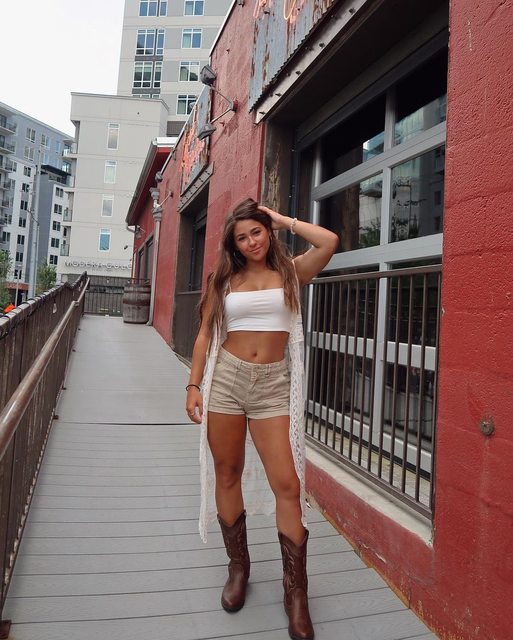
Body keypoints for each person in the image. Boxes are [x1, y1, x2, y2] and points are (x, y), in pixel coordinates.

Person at [185, 198, 338, 640]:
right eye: (242, 237)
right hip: (227, 382)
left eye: (257, 232)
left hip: (273, 386)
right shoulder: (224, 280)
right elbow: (204, 335)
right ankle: (238, 567)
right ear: (232, 245)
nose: (251, 241)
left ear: (267, 231)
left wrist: (283, 219)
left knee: (288, 484)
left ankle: (296, 592)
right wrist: (193, 385)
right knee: (227, 472)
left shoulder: (290, 272)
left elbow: (329, 242)